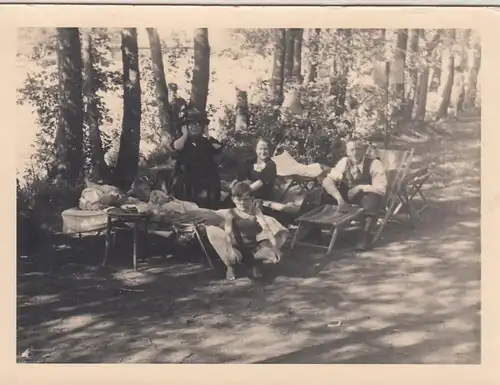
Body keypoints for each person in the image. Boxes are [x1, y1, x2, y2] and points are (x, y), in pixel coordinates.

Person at [306, 138, 387, 251]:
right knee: (319, 192)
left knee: (372, 198)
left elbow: (381, 189)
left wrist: (359, 188)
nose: (355, 153)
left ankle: (365, 236)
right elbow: (327, 180)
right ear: (347, 152)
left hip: (366, 196)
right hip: (348, 195)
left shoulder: (375, 163)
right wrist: (339, 199)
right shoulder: (345, 161)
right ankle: (314, 233)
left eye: (358, 149)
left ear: (364, 150)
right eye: (351, 150)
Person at [206, 181, 284, 281]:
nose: (242, 203)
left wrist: (275, 247)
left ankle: (256, 264)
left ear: (251, 199)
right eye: (239, 200)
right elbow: (228, 233)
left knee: (273, 256)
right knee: (231, 257)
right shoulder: (231, 213)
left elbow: (266, 229)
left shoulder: (255, 211)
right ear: (233, 199)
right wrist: (229, 250)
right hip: (237, 247)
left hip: (253, 247)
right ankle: (230, 267)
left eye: (246, 200)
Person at [171, 105, 223, 209]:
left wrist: (207, 134)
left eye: (198, 124)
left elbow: (218, 148)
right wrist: (185, 135)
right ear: (185, 127)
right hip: (187, 180)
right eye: (191, 124)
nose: (194, 127)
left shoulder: (206, 142)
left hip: (206, 180)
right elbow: (177, 147)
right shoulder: (182, 141)